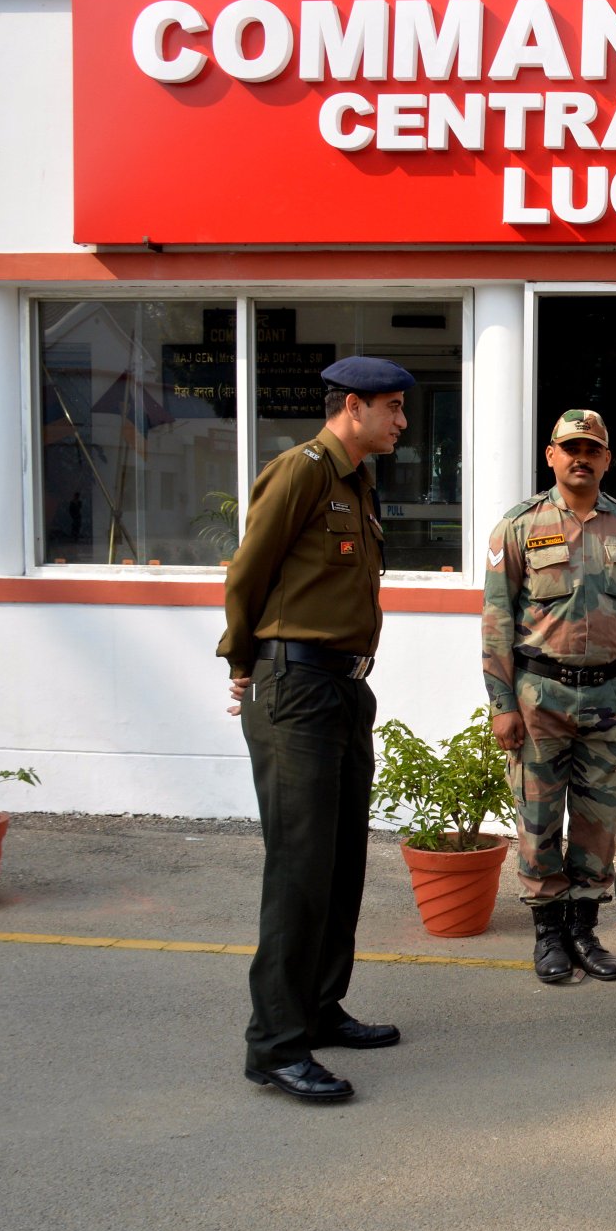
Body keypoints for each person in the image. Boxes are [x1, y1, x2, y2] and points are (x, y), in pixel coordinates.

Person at [218, 355, 413, 1105]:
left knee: (339, 863)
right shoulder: (300, 470)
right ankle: (275, 1045)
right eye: (392, 407)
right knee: (299, 869)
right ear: (353, 406)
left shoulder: (358, 482)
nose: (401, 422)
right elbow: (248, 571)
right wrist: (243, 660)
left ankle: (320, 1007)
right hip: (294, 686)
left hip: (343, 687)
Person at [483, 409, 616, 985]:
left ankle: (584, 931)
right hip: (539, 694)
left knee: (598, 819)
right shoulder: (517, 526)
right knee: (538, 818)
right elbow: (496, 620)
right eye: (571, 448)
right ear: (551, 455)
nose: (581, 457)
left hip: (608, 693)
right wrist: (502, 704)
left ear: (607, 459)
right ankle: (548, 934)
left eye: (592, 449)